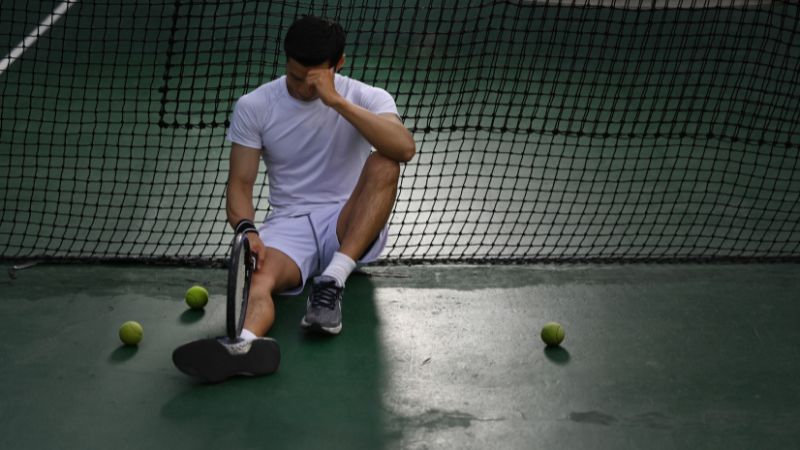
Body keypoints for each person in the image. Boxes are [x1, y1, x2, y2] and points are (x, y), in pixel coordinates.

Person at [173, 15, 415, 382]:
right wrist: (247, 229)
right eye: (295, 76)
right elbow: (239, 183)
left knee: (385, 162)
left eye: (314, 78)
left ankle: (333, 280)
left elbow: (404, 148)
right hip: (288, 225)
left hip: (349, 223)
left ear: (339, 65)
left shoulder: (366, 96)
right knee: (259, 280)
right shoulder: (255, 106)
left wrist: (336, 102)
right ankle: (242, 345)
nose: (303, 87)